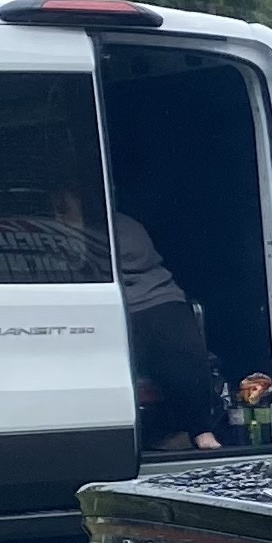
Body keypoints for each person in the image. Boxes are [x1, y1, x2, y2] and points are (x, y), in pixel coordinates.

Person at [55, 187, 219, 449]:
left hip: (146, 303)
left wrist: (74, 228)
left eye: (65, 206)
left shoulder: (116, 228)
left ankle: (198, 433)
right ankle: (188, 433)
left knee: (175, 352)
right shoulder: (59, 231)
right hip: (125, 305)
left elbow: (81, 266)